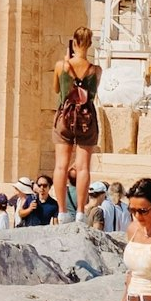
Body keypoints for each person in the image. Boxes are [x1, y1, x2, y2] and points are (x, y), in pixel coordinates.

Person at [52, 27, 102, 222]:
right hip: (86, 120)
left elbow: (57, 89)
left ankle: (63, 211)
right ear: (89, 44)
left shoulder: (60, 66)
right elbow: (92, 94)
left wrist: (66, 61)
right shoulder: (96, 70)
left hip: (64, 118)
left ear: (73, 42)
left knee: (61, 166)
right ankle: (81, 211)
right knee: (83, 167)